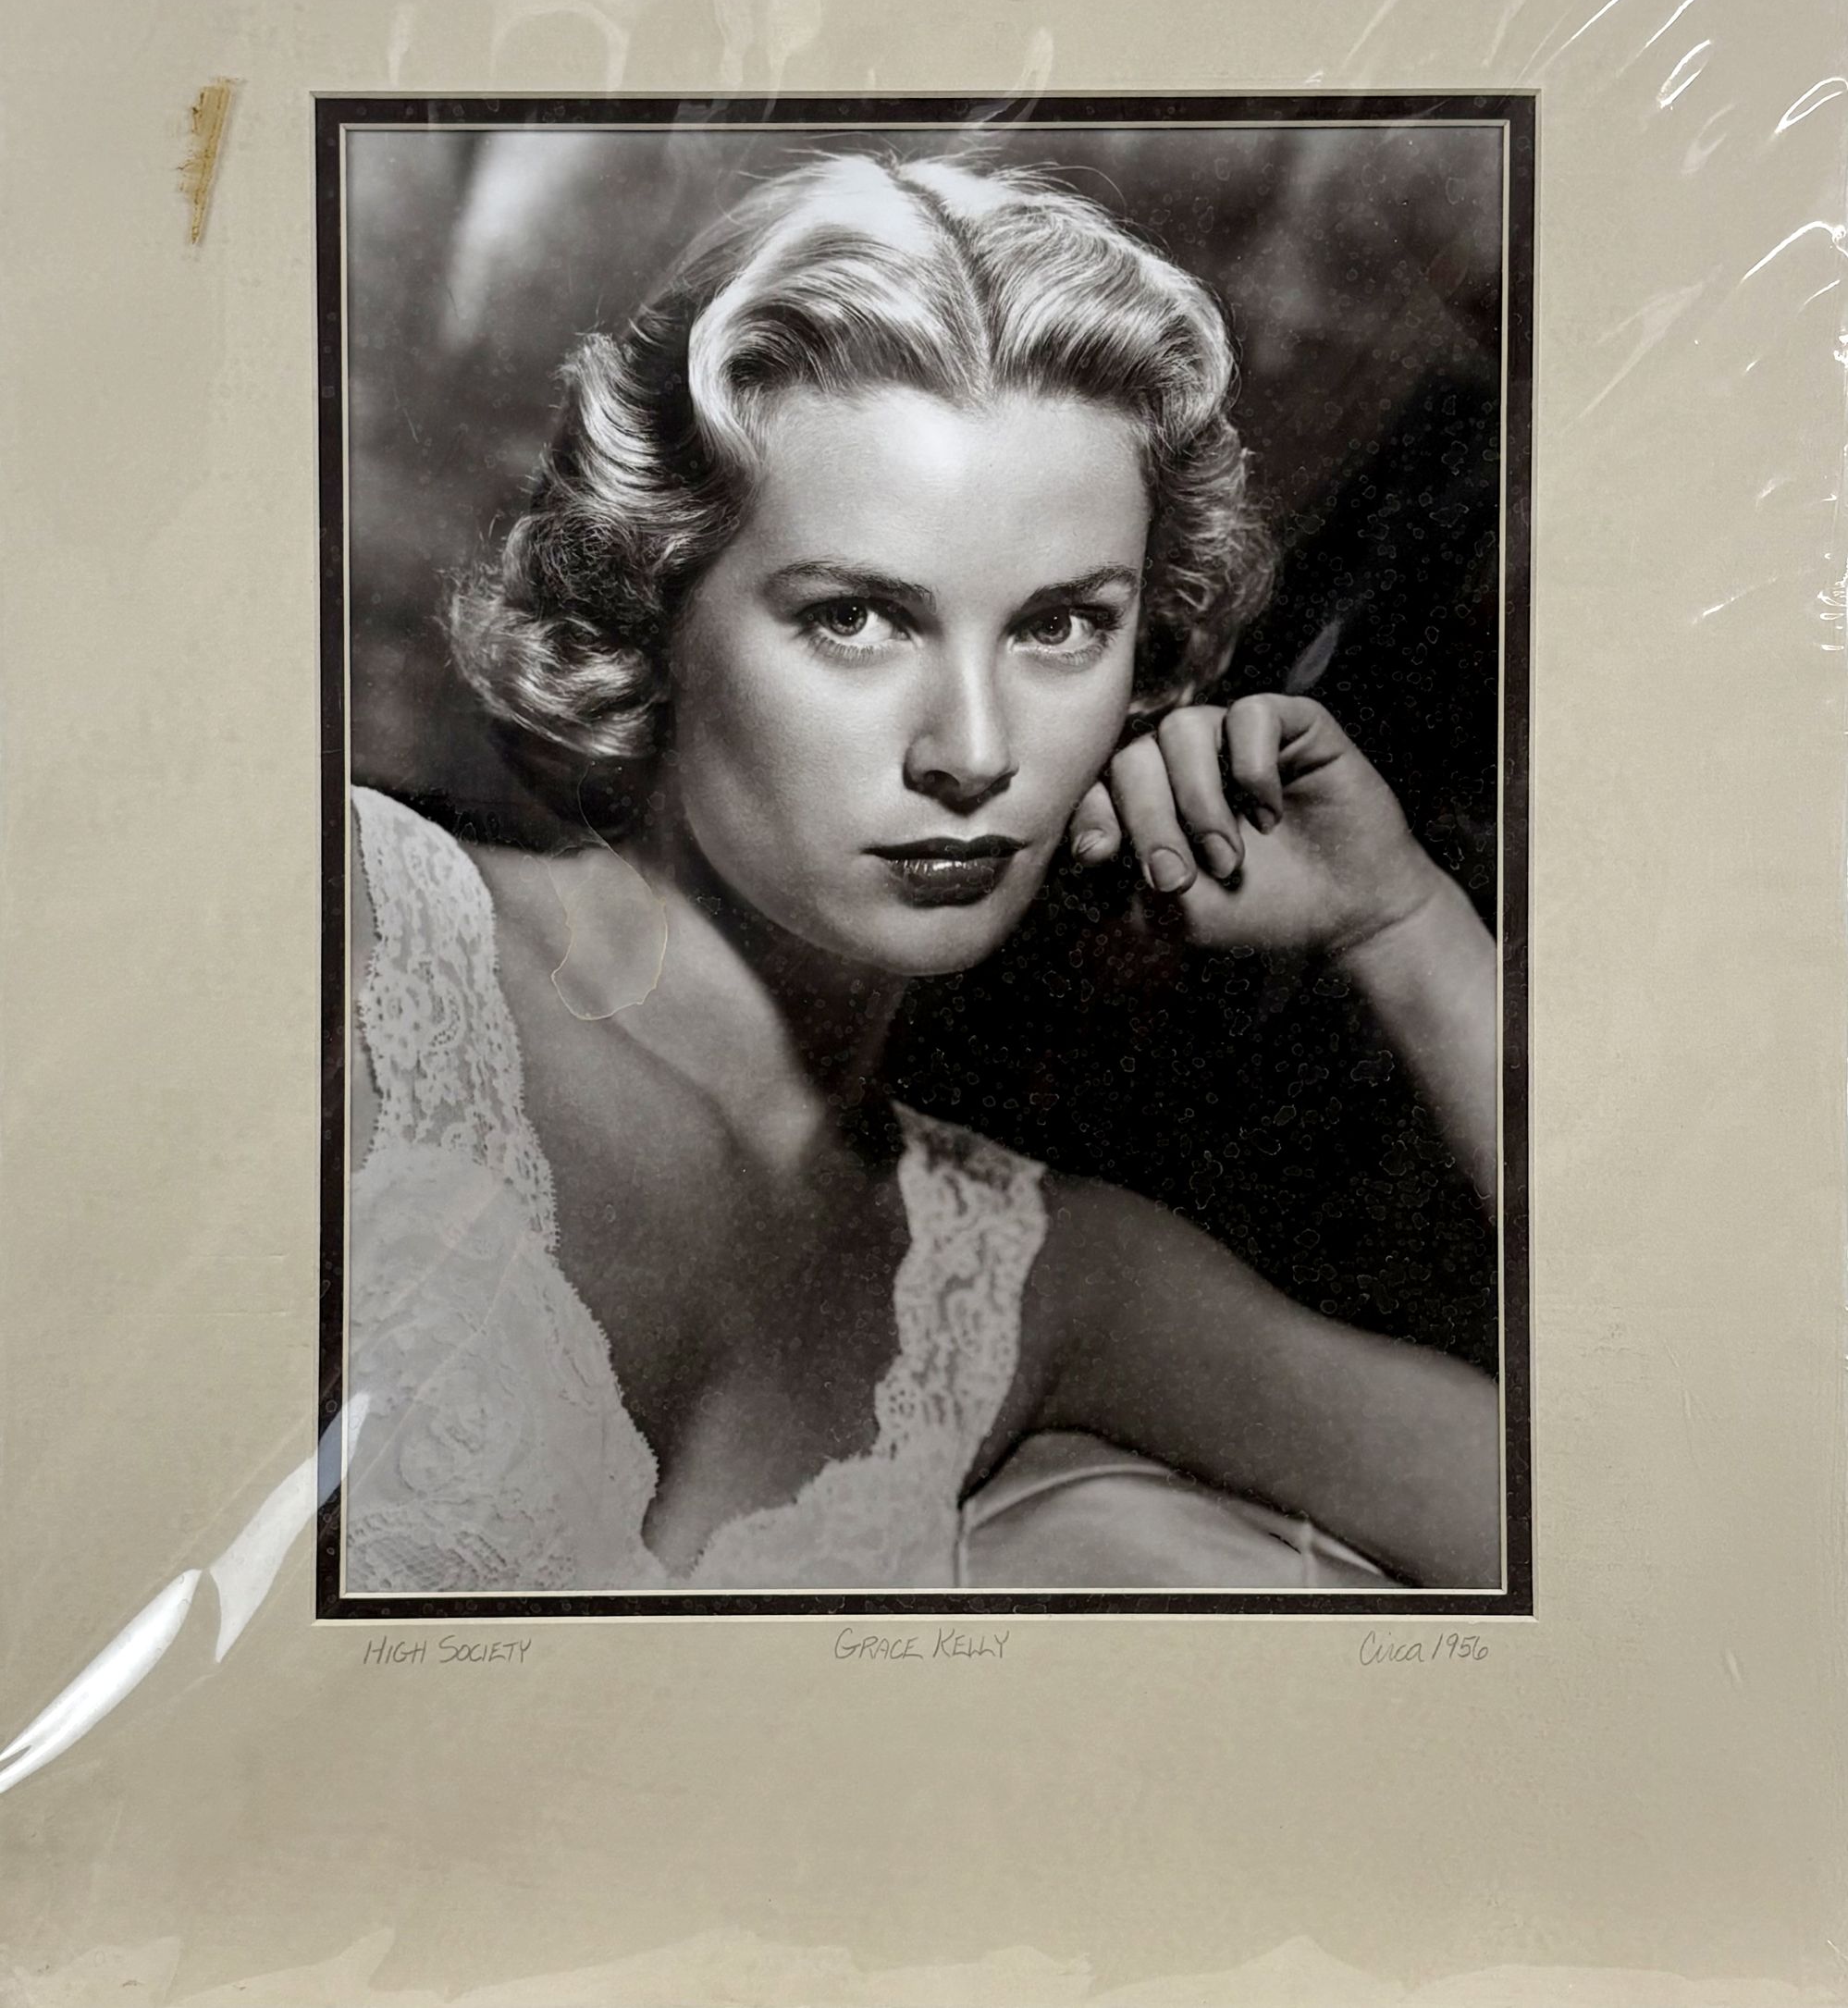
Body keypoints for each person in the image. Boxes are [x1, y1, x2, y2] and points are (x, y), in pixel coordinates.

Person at [342, 148, 1500, 1595]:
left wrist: (1401, 922)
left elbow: (1635, 1516)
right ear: (649, 603)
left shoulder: (1029, 1276)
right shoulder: (354, 940)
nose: (974, 751)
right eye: (855, 618)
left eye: (1060, 627)